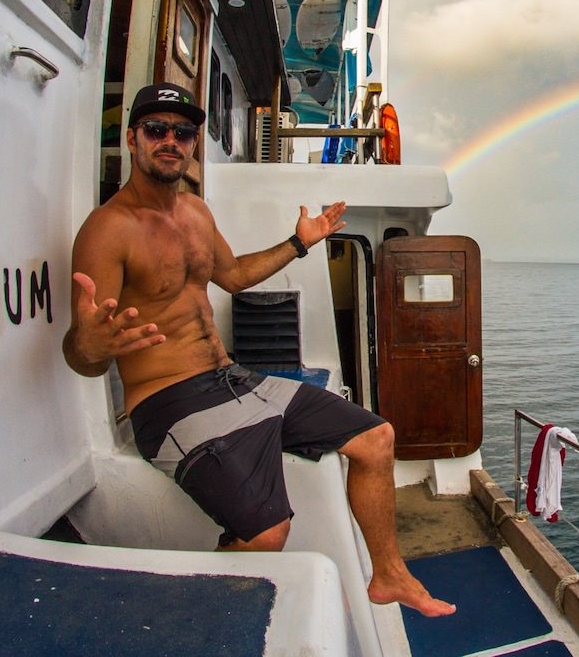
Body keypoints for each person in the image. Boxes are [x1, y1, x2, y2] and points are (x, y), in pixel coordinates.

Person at [63, 83, 454, 617]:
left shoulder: (195, 212)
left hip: (231, 378)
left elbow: (234, 276)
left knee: (375, 437)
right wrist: (92, 344)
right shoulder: (108, 229)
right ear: (132, 139)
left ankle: (389, 575)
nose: (171, 141)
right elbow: (82, 356)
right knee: (268, 533)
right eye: (156, 129)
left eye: (183, 132)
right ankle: (193, 621)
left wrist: (299, 243)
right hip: (166, 401)